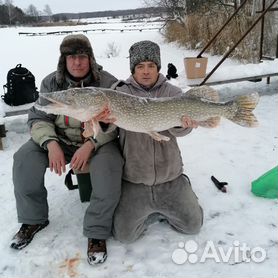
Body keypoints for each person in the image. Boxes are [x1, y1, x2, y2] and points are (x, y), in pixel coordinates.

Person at [10, 34, 123, 265]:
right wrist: (51, 143)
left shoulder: (108, 83)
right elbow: (38, 117)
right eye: (71, 57)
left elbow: (117, 124)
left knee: (110, 166)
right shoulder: (50, 83)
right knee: (24, 158)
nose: (77, 62)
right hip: (60, 140)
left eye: (82, 56)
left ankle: (97, 231)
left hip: (98, 142)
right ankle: (34, 218)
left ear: (90, 58)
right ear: (64, 60)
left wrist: (91, 144)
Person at [112, 40, 203, 243]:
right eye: (140, 66)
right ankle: (149, 207)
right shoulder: (120, 93)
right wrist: (102, 123)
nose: (146, 71)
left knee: (192, 226)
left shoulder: (172, 93)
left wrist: (183, 125)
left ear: (158, 68)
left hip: (170, 177)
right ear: (133, 69)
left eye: (151, 66)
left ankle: (182, 190)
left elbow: (182, 132)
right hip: (135, 179)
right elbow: (108, 131)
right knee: (124, 236)